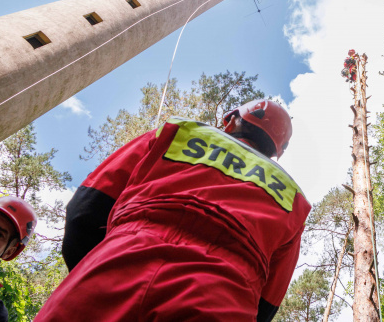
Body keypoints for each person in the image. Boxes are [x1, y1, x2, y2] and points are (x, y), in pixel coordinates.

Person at [35, 99, 311, 322]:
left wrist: (95, 274)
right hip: (222, 299)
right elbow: (266, 304)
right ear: (278, 150)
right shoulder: (294, 198)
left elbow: (86, 209)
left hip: (116, 264)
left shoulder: (176, 132)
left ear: (230, 120)